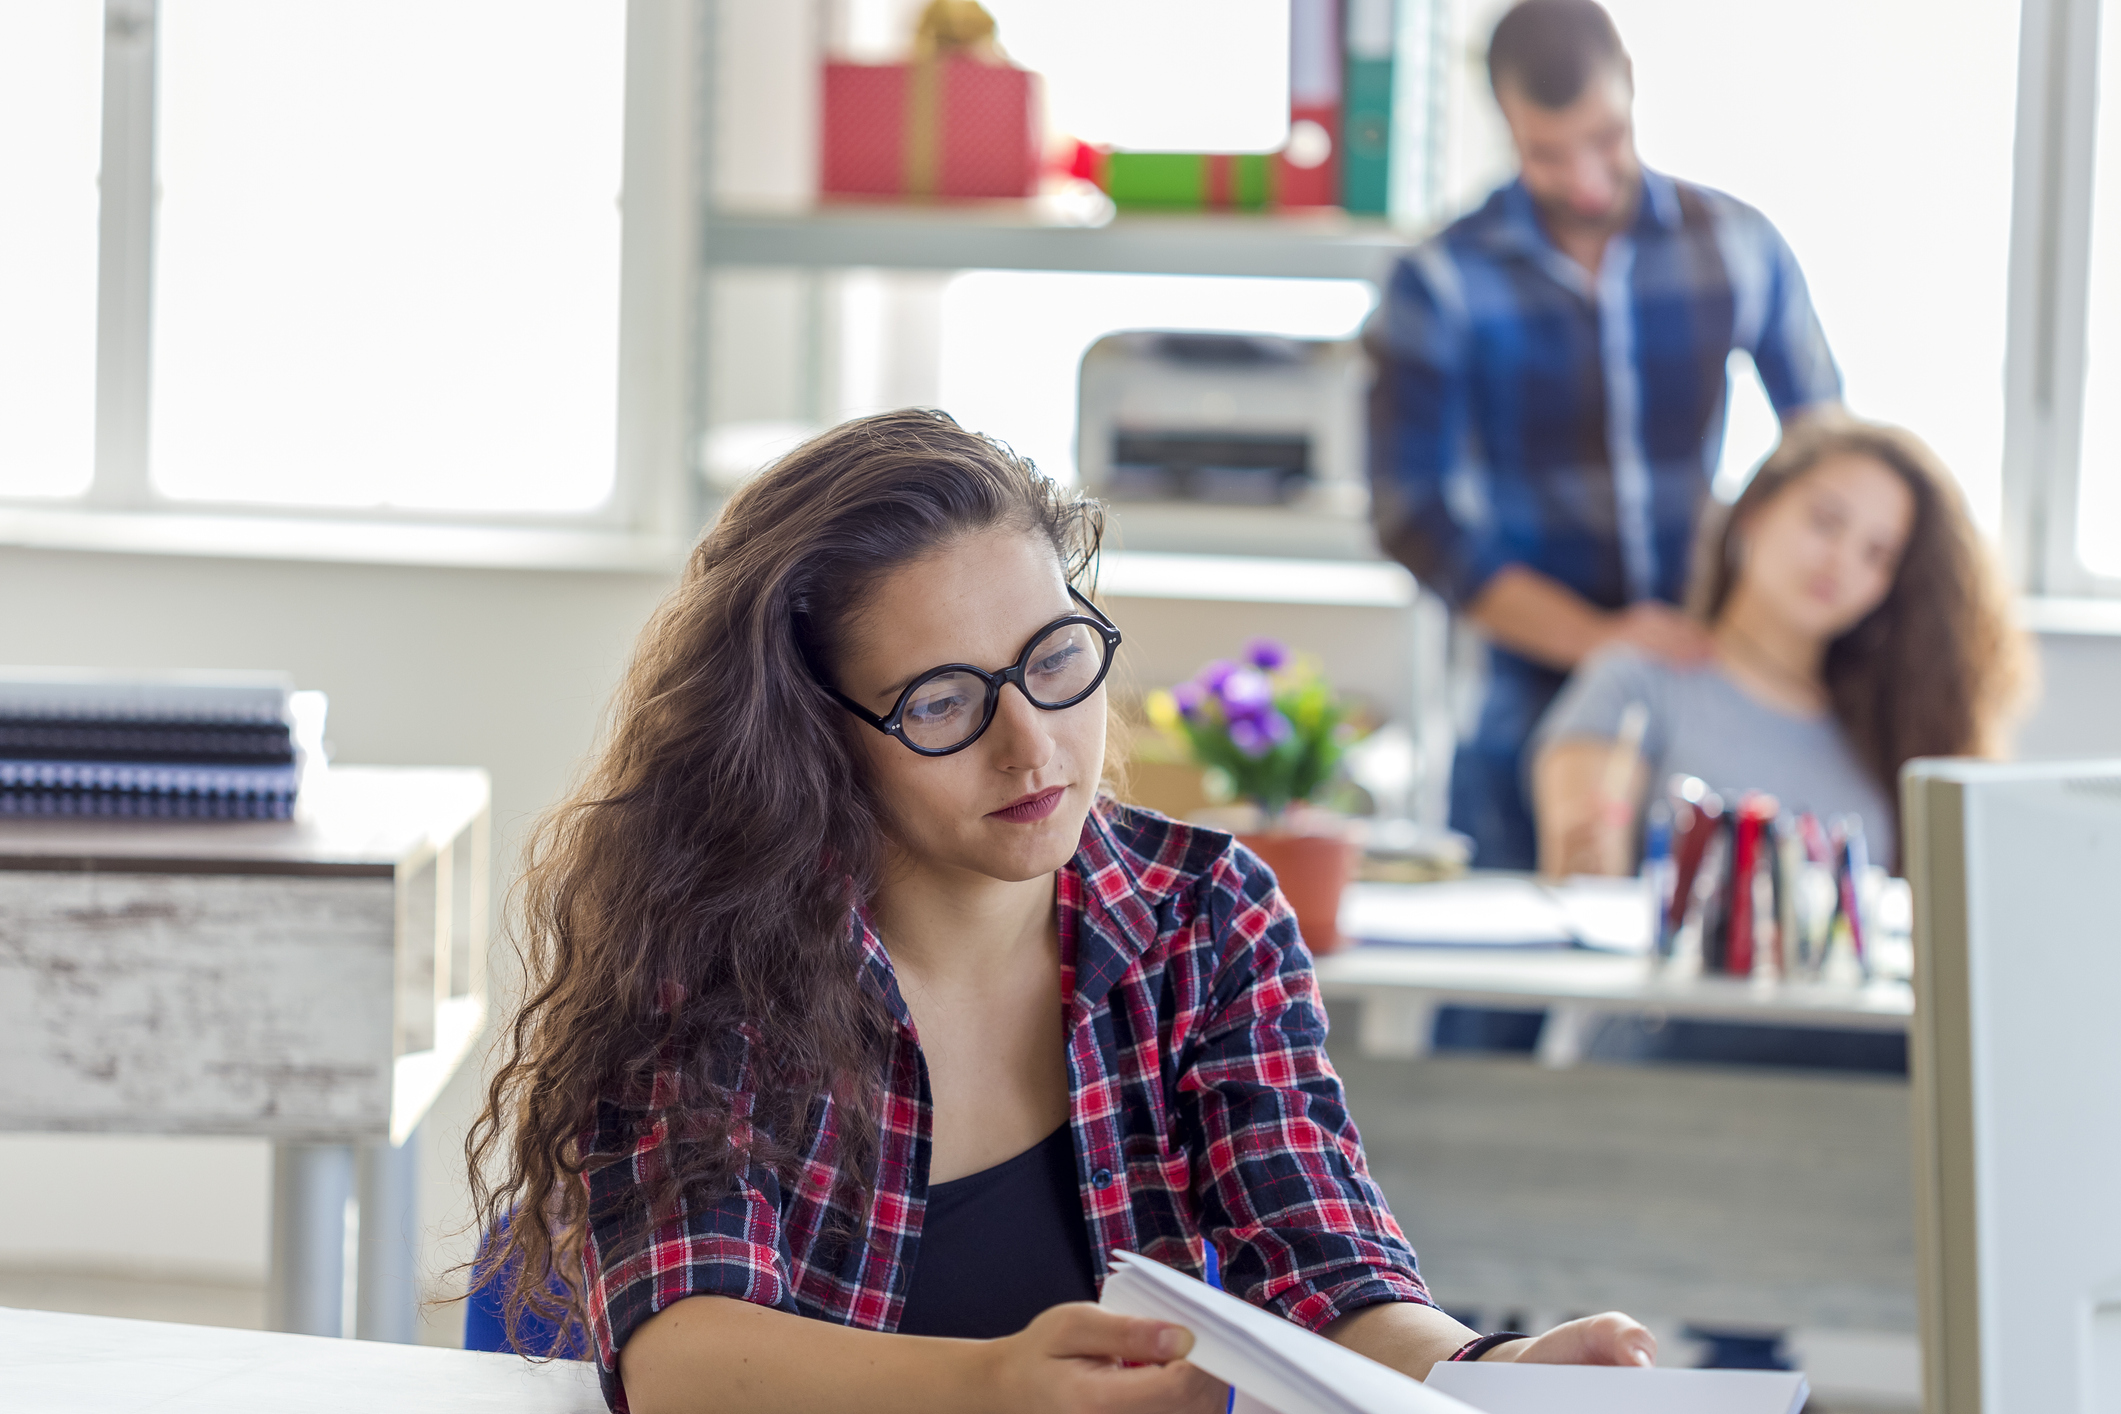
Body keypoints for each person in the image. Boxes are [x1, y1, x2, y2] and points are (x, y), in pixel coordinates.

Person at [467, 410, 1657, 1414]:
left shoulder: (1205, 916)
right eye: (940, 703)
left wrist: (1493, 1372)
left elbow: (1323, 1266)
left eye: (1054, 660)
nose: (1032, 747)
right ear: (813, 737)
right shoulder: (727, 947)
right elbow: (682, 1352)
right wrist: (989, 1385)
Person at [1365, 0, 1844, 868]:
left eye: (1606, 139)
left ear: (1629, 84)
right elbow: (1411, 516)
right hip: (1519, 699)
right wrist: (1602, 639)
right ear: (1504, 121)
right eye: (1548, 153)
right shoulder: (1438, 282)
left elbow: (1828, 456)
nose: (1586, 179)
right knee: (1495, 993)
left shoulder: (1736, 246)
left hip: (1710, 686)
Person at [1531, 415, 2028, 877]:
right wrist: (1588, 857)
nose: (1840, 562)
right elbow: (1584, 888)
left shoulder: (1890, 725)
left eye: (1876, 554)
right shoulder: (1637, 682)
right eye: (1825, 521)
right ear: (1754, 512)